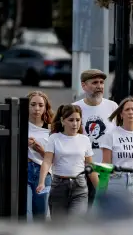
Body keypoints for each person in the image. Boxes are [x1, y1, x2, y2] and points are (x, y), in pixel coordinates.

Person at [36, 104, 99, 220]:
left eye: (78, 120)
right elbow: (47, 161)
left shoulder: (84, 140)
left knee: (75, 225)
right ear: (63, 121)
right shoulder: (54, 138)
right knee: (59, 227)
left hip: (80, 187)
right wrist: (41, 182)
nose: (75, 124)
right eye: (71, 120)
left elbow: (90, 167)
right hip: (59, 185)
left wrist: (100, 189)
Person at [73, 69, 118, 207]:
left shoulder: (112, 107)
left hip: (105, 170)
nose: (99, 86)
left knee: (102, 211)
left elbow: (117, 138)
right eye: (95, 83)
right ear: (84, 85)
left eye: (102, 82)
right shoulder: (75, 108)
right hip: (80, 170)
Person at [27, 91, 54, 222]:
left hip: (43, 173)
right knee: (24, 211)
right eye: (32, 104)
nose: (36, 109)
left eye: (40, 105)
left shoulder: (50, 129)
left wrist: (41, 151)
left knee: (41, 213)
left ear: (45, 107)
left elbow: (55, 158)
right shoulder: (19, 125)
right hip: (24, 170)